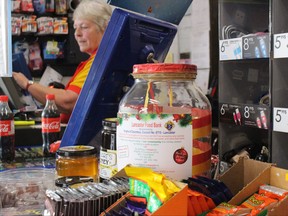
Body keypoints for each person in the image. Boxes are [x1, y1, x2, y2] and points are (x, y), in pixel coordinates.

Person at [13, 0, 112, 123]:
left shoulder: (99, 61)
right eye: (75, 28)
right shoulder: (96, 59)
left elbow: (68, 102)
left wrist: (27, 84)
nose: (77, 34)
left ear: (106, 28)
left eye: (84, 27)